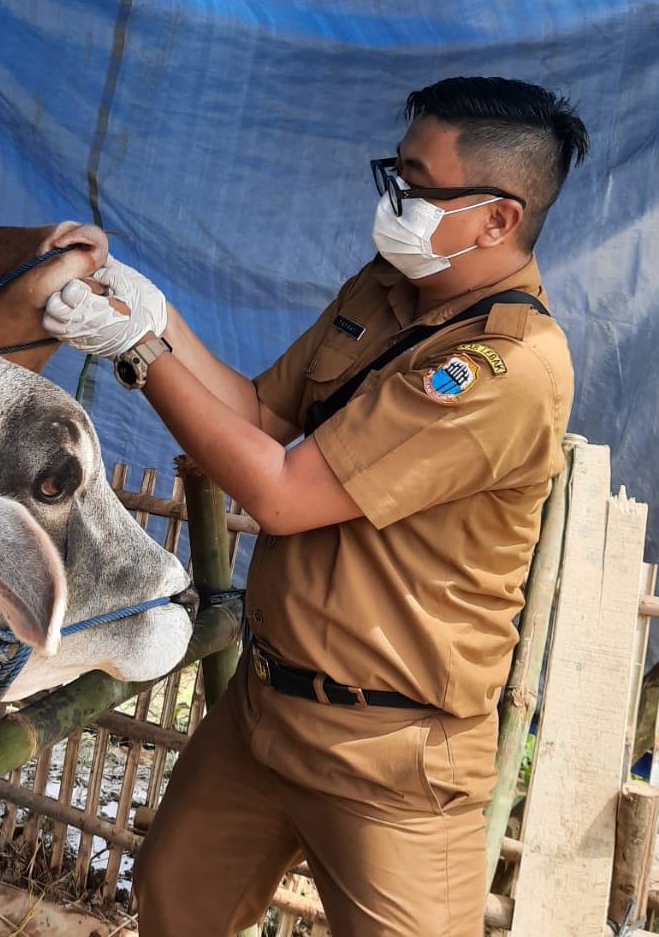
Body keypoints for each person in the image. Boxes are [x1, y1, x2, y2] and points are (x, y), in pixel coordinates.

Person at [43, 76, 589, 936]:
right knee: (173, 899)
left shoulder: (504, 369)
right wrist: (152, 310)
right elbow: (261, 415)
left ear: (496, 218)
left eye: (415, 183)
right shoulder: (384, 289)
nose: (393, 201)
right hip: (264, 711)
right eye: (395, 174)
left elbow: (282, 494)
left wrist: (140, 355)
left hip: (394, 758)